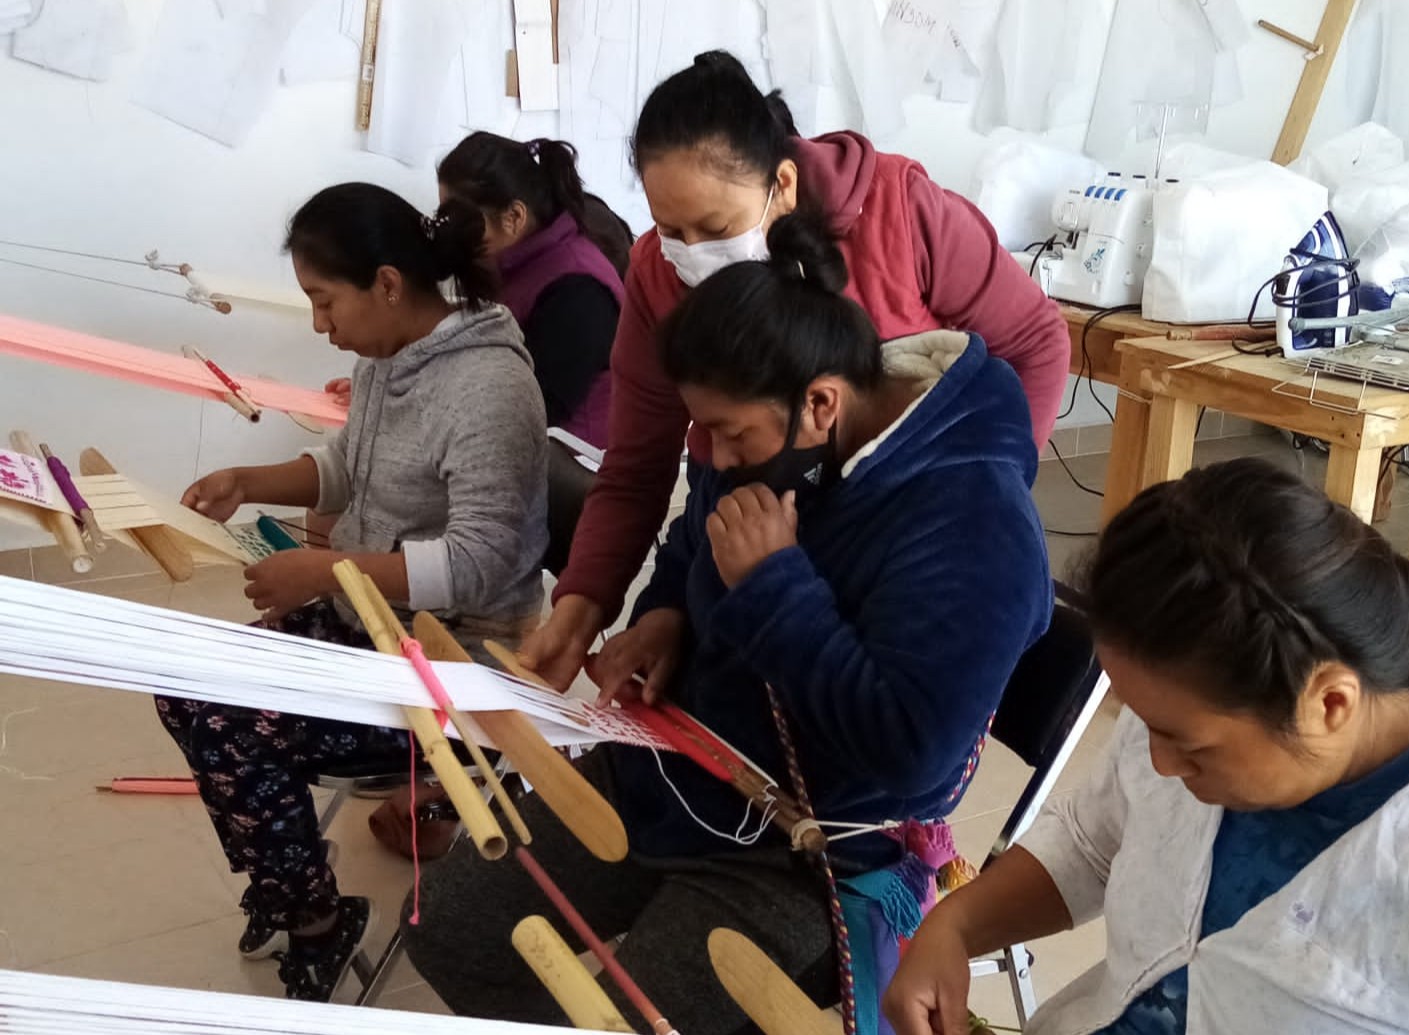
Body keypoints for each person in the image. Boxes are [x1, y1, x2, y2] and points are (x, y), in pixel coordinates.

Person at [403, 214, 1053, 1034]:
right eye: (702, 429)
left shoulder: (977, 525)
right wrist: (667, 613)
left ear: (820, 403)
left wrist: (775, 585)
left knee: (626, 1017)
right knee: (452, 932)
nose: (712, 453)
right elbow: (695, 534)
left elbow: (914, 757)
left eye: (730, 433)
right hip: (679, 767)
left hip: (805, 852)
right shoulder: (783, 433)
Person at [885, 459, 1409, 1035]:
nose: (1158, 763)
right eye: (1144, 724)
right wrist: (956, 927)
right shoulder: (1188, 702)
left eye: (1187, 744)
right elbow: (1093, 839)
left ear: (1329, 703)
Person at [522, 49, 1071, 690]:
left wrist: (986, 493)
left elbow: (1036, 340)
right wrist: (583, 609)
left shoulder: (898, 210)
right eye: (671, 230)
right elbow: (639, 467)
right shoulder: (656, 271)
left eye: (715, 227)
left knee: (839, 693)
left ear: (782, 185)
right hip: (744, 521)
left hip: (885, 526)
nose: (691, 255)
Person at [157, 182, 549, 1002]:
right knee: (182, 682)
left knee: (236, 728)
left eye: (323, 299)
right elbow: (351, 465)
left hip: (456, 668)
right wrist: (251, 479)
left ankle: (314, 915)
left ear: (387, 283)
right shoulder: (387, 358)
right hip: (370, 626)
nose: (317, 324)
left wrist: (325, 572)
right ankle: (290, 874)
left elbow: (482, 559)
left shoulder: (489, 387)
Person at [327, 133, 627, 449]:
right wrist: (387, 393)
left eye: (464, 220)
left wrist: (403, 406)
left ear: (514, 217)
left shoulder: (579, 290)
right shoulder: (508, 264)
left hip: (569, 464)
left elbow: (531, 407)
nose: (453, 232)